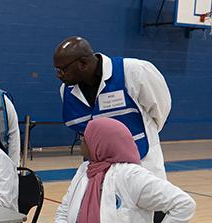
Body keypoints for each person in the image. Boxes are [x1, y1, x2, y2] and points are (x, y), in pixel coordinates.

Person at [53, 117, 195, 223]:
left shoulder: (131, 176)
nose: (82, 141)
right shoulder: (85, 170)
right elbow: (64, 210)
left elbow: (184, 204)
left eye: (86, 138)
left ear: (101, 143)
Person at [53, 36, 171, 180]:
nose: (58, 75)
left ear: (83, 63)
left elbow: (160, 111)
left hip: (142, 166)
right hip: (98, 173)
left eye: (62, 69)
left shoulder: (133, 71)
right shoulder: (65, 91)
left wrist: (145, 136)